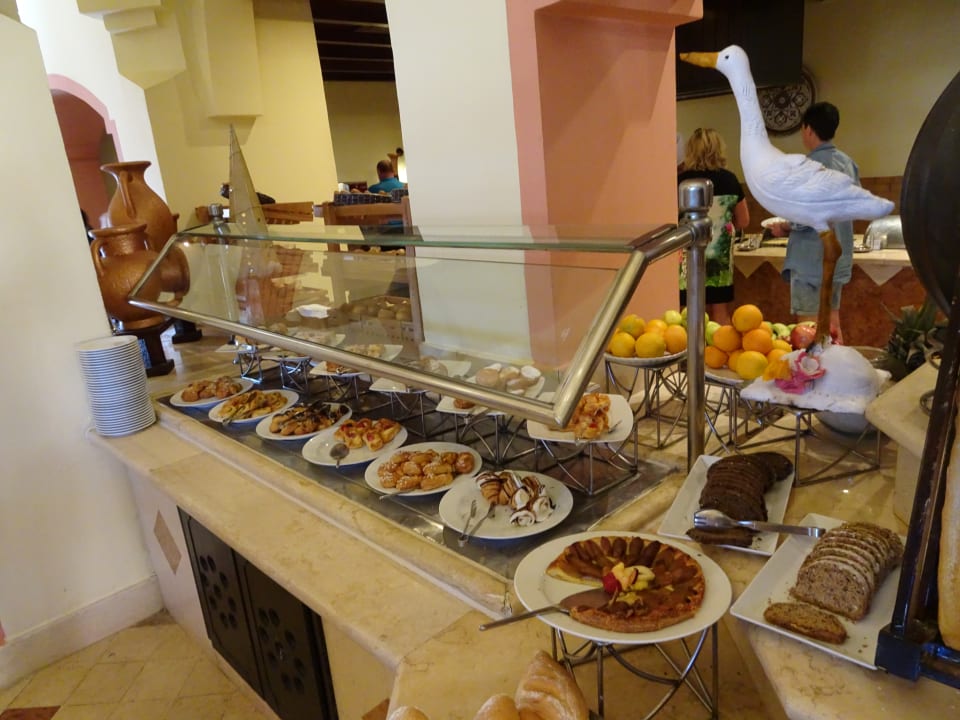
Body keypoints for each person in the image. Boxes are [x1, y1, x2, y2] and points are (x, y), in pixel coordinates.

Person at [770, 102, 858, 344]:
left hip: (810, 262)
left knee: (807, 330)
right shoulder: (847, 164)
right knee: (832, 325)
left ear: (808, 129)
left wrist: (784, 226)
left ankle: (813, 370)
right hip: (837, 258)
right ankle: (839, 367)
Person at [677, 128, 749, 324]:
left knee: (688, 311)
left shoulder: (681, 182)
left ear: (690, 150)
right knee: (720, 311)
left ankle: (689, 344)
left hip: (688, 255)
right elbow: (743, 221)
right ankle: (720, 344)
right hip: (720, 256)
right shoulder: (730, 179)